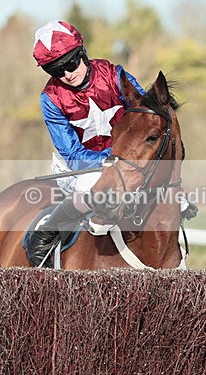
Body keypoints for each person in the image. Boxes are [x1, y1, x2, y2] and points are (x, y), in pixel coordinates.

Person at [23, 19, 145, 266]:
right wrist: (110, 159)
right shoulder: (50, 98)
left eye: (71, 63)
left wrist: (128, 154)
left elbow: (146, 116)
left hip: (127, 159)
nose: (67, 74)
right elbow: (72, 153)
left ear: (82, 53)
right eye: (56, 71)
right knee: (96, 189)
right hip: (80, 166)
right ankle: (46, 234)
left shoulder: (115, 75)